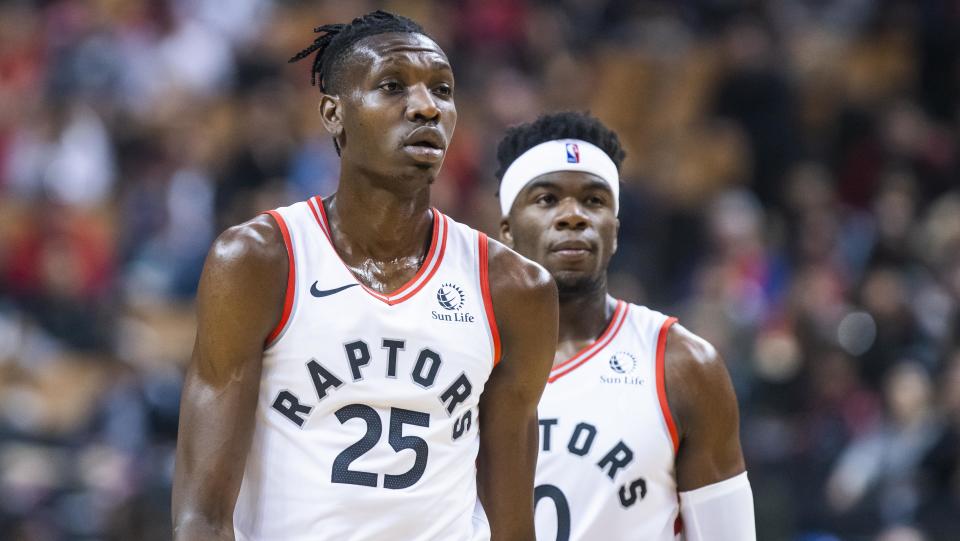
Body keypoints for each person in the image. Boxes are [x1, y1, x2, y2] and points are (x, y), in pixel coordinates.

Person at [171, 11, 558, 541]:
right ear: (334, 113)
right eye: (393, 86)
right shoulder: (260, 261)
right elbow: (201, 515)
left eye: (442, 90)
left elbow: (513, 525)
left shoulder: (516, 289)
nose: (426, 107)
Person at [494, 112, 756, 541]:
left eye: (594, 201)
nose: (572, 216)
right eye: (546, 199)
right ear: (506, 229)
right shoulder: (463, 360)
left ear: (614, 230)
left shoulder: (683, 366)